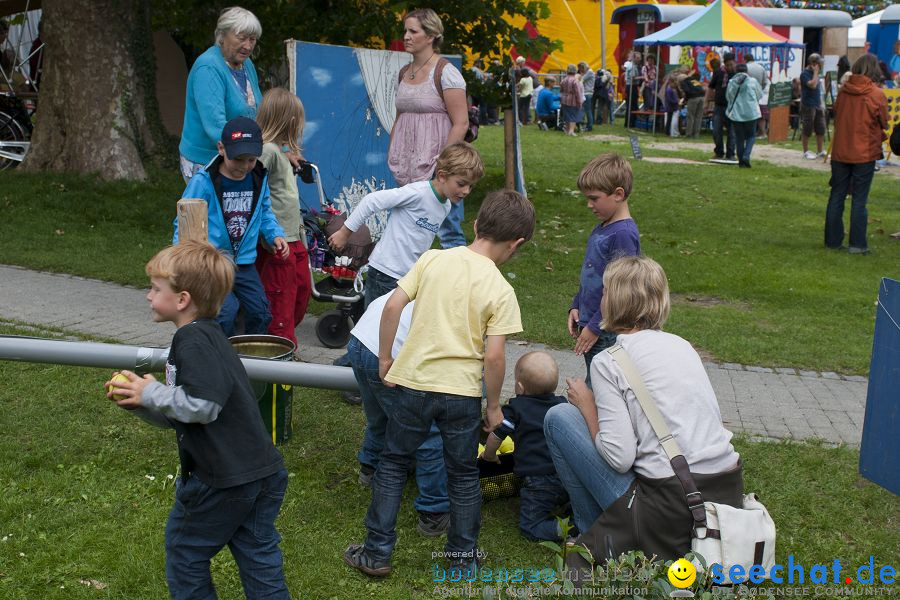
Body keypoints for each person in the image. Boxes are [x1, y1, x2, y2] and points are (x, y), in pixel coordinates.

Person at [343, 190, 536, 578]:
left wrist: (385, 358)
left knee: (394, 464)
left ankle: (377, 551)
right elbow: (495, 357)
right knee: (463, 474)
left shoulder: (432, 259)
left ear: (477, 225)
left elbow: (393, 305)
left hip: (413, 385)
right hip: (461, 395)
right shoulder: (501, 289)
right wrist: (494, 405)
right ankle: (462, 558)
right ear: (516, 245)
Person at [105, 240, 289, 599]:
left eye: (155, 289)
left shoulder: (191, 343)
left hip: (223, 478)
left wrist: (152, 392)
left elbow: (203, 406)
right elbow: (188, 413)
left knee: (186, 550)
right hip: (261, 471)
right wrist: (143, 404)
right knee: (257, 553)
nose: (148, 296)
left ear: (182, 299)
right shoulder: (211, 337)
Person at [545, 255, 743, 561]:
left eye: (606, 291)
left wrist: (587, 405)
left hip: (668, 506)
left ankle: (592, 531)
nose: (602, 297)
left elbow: (619, 456)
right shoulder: (684, 346)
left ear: (616, 301)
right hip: (724, 494)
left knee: (559, 418)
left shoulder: (609, 360)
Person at [328, 142, 484, 307]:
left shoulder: (445, 206)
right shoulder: (418, 193)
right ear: (442, 175)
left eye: (471, 186)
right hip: (385, 273)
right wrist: (344, 233)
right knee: (373, 329)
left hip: (408, 278)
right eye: (461, 184)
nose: (466, 191)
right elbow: (371, 200)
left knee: (397, 328)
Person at [174, 116, 288, 337]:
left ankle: (250, 357)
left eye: (251, 160)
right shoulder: (204, 181)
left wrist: (275, 234)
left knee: (261, 311)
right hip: (213, 263)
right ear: (221, 148)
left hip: (244, 263)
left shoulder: (258, 177)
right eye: (238, 159)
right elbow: (183, 219)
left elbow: (265, 211)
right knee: (226, 312)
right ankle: (219, 354)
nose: (244, 167)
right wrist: (182, 260)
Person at [348, 292, 451, 536]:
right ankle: (434, 513)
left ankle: (370, 469)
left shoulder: (430, 274)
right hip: (390, 351)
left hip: (361, 338)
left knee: (380, 418)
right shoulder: (465, 300)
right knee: (427, 433)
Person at [389, 8, 469, 250]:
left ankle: (459, 283)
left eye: (413, 31)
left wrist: (444, 164)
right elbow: (400, 117)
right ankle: (406, 281)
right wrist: (393, 150)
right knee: (406, 227)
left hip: (437, 165)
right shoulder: (404, 73)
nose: (407, 36)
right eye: (405, 31)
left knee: (448, 229)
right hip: (406, 164)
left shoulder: (446, 73)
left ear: (431, 36)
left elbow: (461, 123)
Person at [480, 351, 571, 542]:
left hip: (539, 481)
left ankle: (570, 530)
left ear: (520, 387)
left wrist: (489, 455)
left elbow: (497, 435)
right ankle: (576, 516)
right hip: (567, 476)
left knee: (531, 527)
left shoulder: (516, 409)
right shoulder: (562, 405)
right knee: (566, 503)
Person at [568, 153, 641, 387]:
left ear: (618, 194)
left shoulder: (623, 235)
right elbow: (591, 274)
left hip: (606, 329)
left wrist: (594, 327)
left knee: (602, 386)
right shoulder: (604, 227)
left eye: (594, 198)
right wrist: (576, 305)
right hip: (591, 322)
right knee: (595, 380)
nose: (589, 205)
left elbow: (619, 292)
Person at [179, 7, 264, 182]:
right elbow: (216, 126)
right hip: (206, 160)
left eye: (252, 39)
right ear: (222, 36)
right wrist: (248, 152)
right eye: (241, 38)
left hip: (240, 157)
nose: (248, 46)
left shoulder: (247, 65)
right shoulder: (208, 68)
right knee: (211, 210)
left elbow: (259, 111)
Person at [254, 88, 311, 346]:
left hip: (293, 234)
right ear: (288, 121)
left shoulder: (277, 149)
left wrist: (288, 152)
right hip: (278, 238)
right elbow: (253, 184)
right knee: (282, 295)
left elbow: (278, 150)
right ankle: (280, 346)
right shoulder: (266, 150)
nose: (301, 125)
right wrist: (266, 233)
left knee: (301, 290)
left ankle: (281, 337)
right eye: (298, 120)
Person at [824, 54, 889, 255]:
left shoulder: (844, 92)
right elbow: (884, 121)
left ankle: (832, 241)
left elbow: (837, 113)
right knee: (859, 200)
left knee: (837, 196)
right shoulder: (877, 94)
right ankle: (857, 244)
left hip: (841, 151)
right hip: (864, 152)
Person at [726, 63, 763, 169]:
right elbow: (759, 95)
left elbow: (728, 97)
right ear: (747, 71)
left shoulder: (732, 82)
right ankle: (746, 155)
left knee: (739, 138)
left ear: (736, 71)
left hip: (737, 114)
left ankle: (741, 161)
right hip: (751, 113)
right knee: (751, 136)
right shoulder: (753, 81)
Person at [707, 53, 736, 160]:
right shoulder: (718, 72)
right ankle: (719, 152)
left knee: (732, 132)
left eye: (731, 65)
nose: (729, 67)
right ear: (724, 63)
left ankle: (731, 154)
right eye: (727, 65)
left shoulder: (738, 74)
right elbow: (711, 87)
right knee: (716, 131)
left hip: (733, 107)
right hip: (719, 106)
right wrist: (706, 102)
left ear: (735, 62)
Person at [800, 53, 827, 160]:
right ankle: (805, 151)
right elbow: (813, 85)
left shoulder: (816, 73)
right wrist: (816, 72)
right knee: (807, 128)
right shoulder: (805, 74)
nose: (820, 66)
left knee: (821, 128)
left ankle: (820, 151)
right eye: (819, 64)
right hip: (808, 105)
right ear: (813, 64)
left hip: (817, 103)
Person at [560, 64, 585, 137]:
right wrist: (579, 101)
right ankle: (571, 131)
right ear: (575, 71)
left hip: (564, 99)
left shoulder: (563, 80)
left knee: (567, 115)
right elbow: (577, 92)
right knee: (573, 116)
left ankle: (567, 130)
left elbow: (561, 90)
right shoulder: (575, 80)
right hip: (573, 100)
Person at [681, 67, 706, 138]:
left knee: (690, 116)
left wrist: (685, 100)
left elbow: (687, 91)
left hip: (693, 98)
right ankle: (696, 135)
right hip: (702, 97)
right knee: (698, 117)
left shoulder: (684, 81)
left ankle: (688, 134)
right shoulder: (695, 81)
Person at [624, 51, 643, 127]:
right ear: (634, 58)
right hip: (631, 86)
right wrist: (642, 77)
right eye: (638, 58)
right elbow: (632, 78)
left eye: (640, 58)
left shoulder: (633, 65)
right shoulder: (632, 66)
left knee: (633, 104)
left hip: (631, 86)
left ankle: (630, 122)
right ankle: (629, 122)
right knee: (631, 105)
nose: (639, 59)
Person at [515, 56, 534, 125]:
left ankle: (521, 120)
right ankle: (527, 120)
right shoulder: (530, 78)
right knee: (527, 107)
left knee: (520, 108)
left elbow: (519, 86)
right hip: (530, 94)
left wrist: (517, 90)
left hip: (523, 95)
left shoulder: (522, 79)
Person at [579, 62, 596, 132]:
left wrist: (580, 75)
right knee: (587, 110)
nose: (580, 71)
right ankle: (587, 125)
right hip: (587, 93)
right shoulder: (589, 72)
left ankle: (589, 126)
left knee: (588, 110)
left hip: (587, 93)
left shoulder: (589, 72)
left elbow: (581, 80)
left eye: (581, 69)